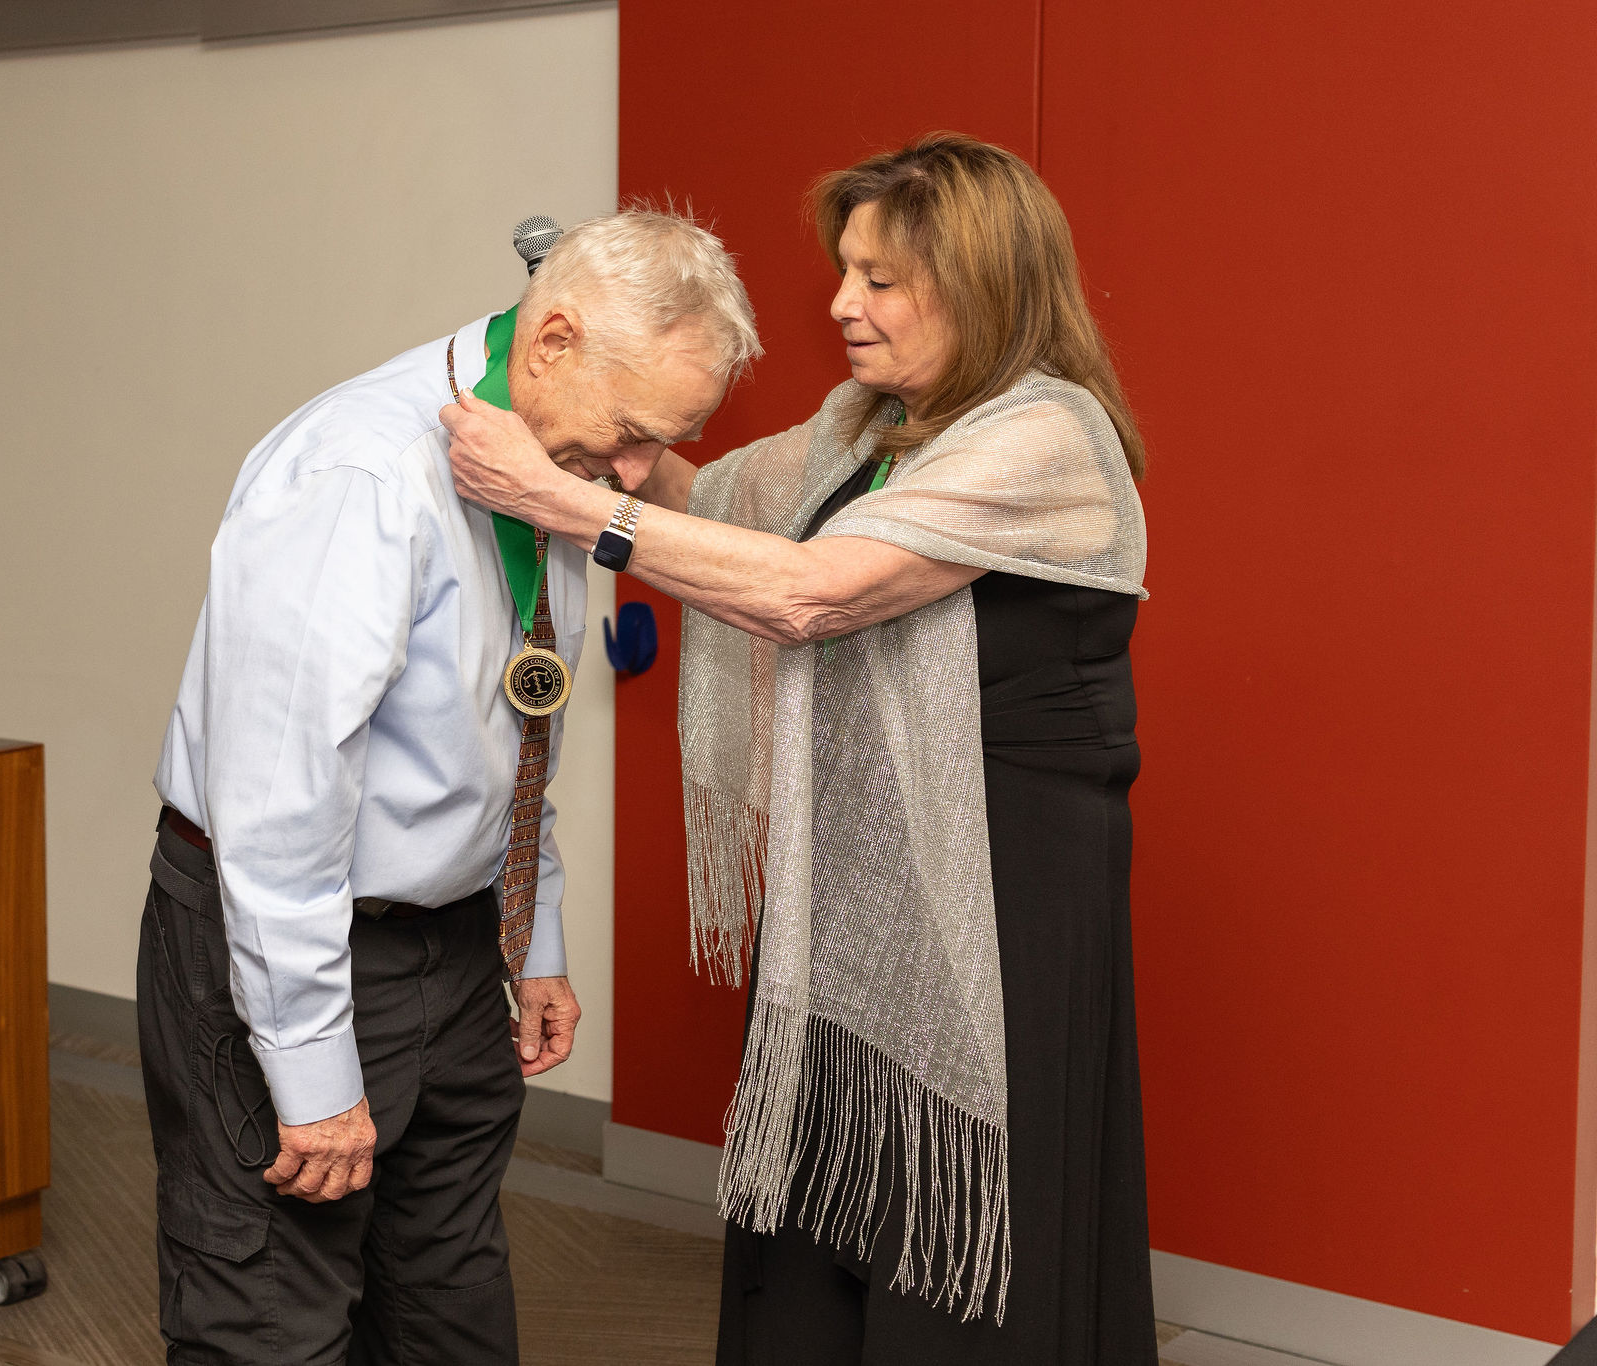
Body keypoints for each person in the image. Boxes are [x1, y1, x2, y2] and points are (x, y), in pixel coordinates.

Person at [442, 135, 1154, 1364]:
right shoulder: (866, 425)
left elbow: (807, 592)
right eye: (843, 271)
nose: (839, 304)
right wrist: (581, 387)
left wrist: (557, 498)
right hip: (858, 853)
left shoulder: (1046, 434)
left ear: (979, 285)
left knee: (962, 1188)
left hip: (1006, 878)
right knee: (822, 1175)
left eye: (878, 279)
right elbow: (705, 506)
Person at [141, 209, 760, 1365]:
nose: (638, 476)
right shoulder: (359, 471)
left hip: (460, 941)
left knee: (447, 1295)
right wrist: (310, 1068)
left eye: (665, 442)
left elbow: (509, 725)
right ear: (552, 340)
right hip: (295, 939)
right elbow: (277, 803)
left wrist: (530, 935)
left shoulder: (546, 463)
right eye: (632, 434)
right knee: (271, 1312)